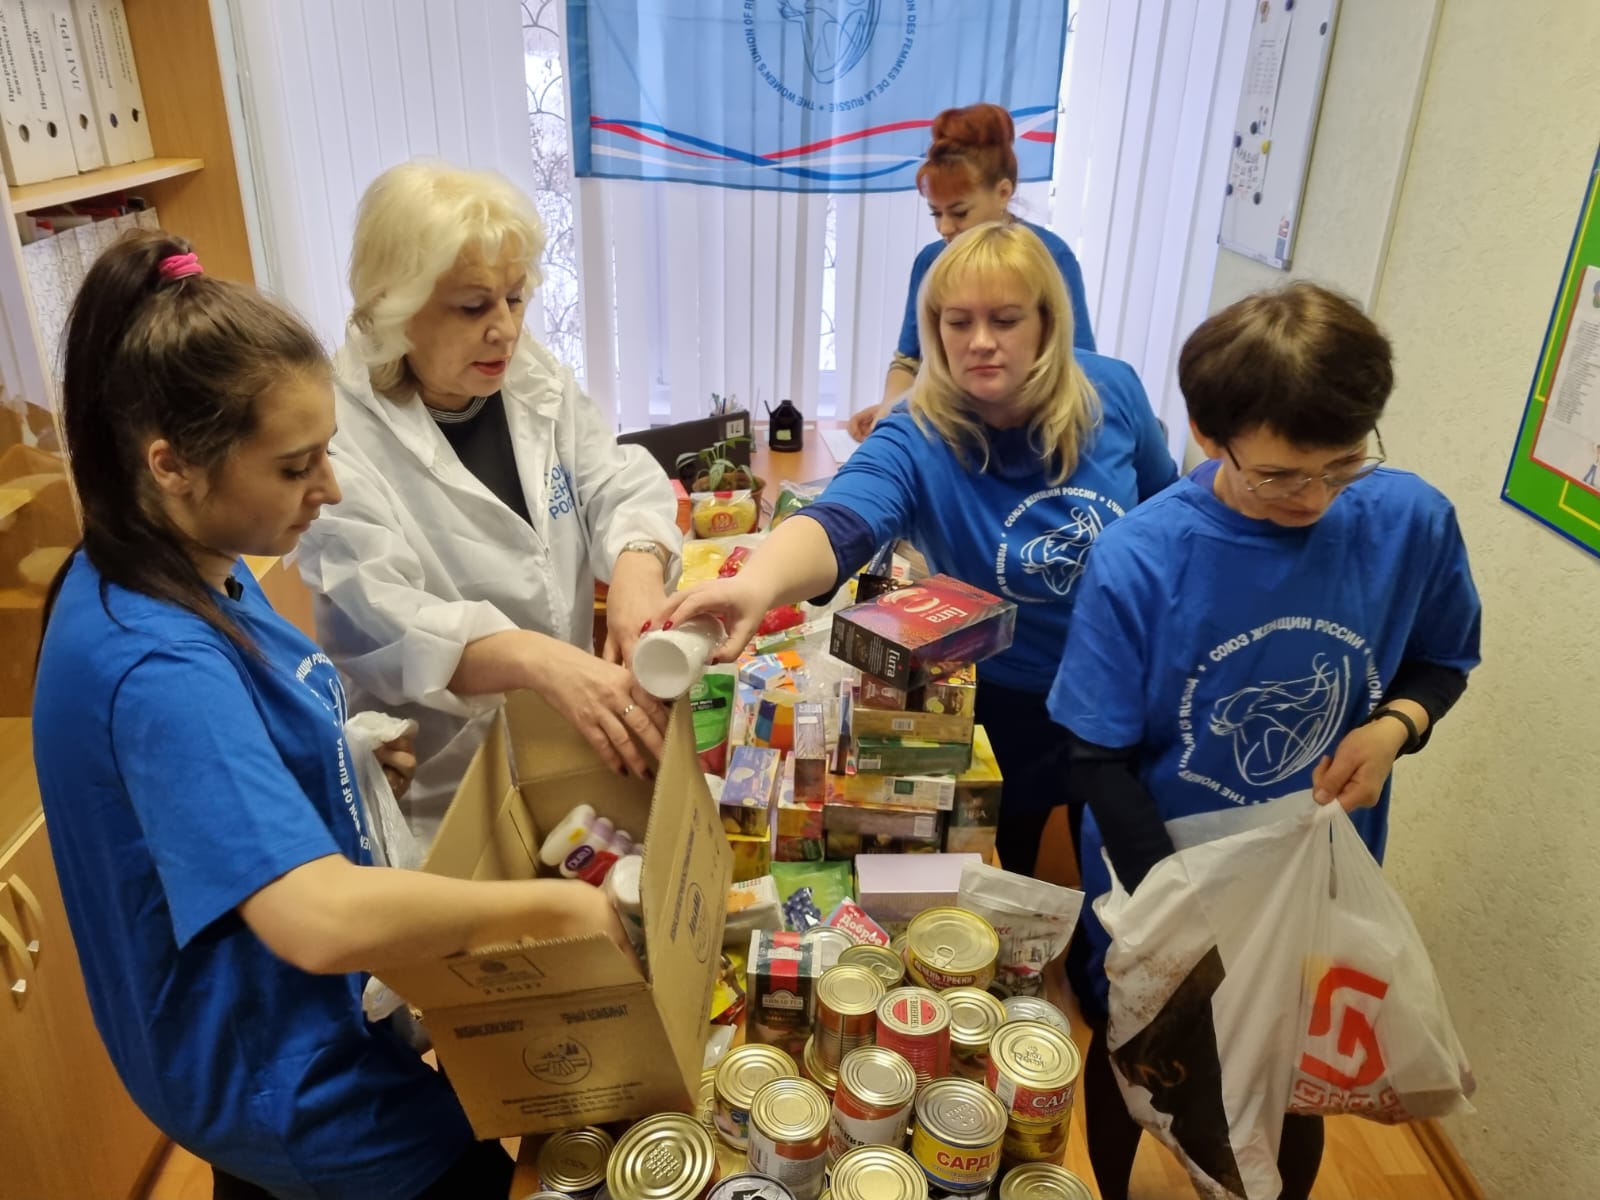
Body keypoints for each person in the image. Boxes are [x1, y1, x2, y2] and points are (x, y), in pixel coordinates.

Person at [32, 231, 636, 1199]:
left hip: (285, 1047)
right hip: (294, 1086)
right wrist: (554, 905)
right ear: (173, 463)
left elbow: (229, 762)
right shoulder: (153, 660)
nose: (332, 488)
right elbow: (313, 920)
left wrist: (339, 760)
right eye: (295, 466)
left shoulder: (184, 563)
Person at [1047, 282, 1483, 1200]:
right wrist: (1186, 911)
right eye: (1281, 475)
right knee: (1138, 1050)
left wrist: (1395, 728)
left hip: (1313, 882)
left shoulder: (1409, 522)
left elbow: (1442, 663)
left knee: (1292, 1080)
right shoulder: (1143, 557)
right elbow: (1097, 758)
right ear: (1208, 435)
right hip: (1158, 879)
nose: (1316, 498)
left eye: (1343, 465)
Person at [656, 222, 1175, 874]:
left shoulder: (1114, 392)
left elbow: (1167, 514)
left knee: (1123, 870)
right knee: (1013, 858)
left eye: (1006, 319)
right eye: (958, 323)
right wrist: (757, 584)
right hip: (1007, 695)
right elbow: (843, 516)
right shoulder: (918, 430)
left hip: (1123, 677)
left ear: (1048, 322)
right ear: (934, 330)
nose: (980, 342)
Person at [297, 161, 682, 845]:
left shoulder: (527, 374)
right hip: (442, 781)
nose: (505, 329)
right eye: (474, 306)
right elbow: (392, 624)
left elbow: (614, 480)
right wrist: (542, 660)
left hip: (564, 743)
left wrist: (638, 563)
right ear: (395, 308)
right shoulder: (334, 434)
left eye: (516, 297)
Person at [848, 102, 1097, 441]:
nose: (945, 227)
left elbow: (1079, 368)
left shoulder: (1052, 257)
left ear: (1003, 193)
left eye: (960, 213)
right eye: (936, 214)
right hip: (950, 433)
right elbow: (908, 362)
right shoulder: (931, 261)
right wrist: (891, 410)